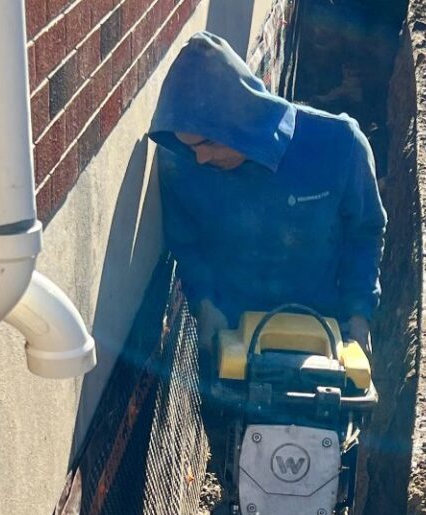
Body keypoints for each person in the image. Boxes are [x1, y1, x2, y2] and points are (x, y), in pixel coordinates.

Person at [149, 31, 387, 354]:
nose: (201, 158)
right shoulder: (184, 164)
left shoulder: (341, 146)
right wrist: (205, 303)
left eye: (207, 144)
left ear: (238, 125)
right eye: (189, 148)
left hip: (321, 340)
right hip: (233, 344)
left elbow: (364, 233)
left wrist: (359, 316)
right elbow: (187, 243)